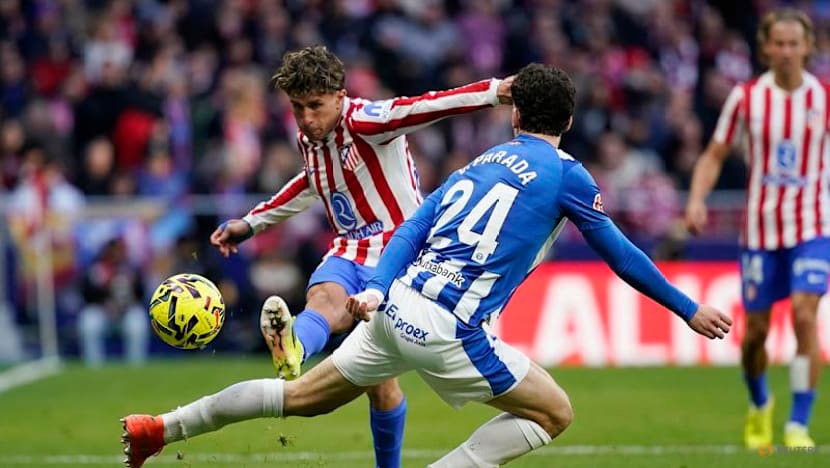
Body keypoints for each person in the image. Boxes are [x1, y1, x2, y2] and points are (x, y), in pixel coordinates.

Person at [121, 63, 731, 468]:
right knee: (554, 413)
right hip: (451, 329)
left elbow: (413, 226)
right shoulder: (569, 175)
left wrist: (379, 289)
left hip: (396, 306)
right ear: (568, 123)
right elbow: (620, 253)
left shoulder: (483, 159)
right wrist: (687, 307)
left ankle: (160, 429)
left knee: (298, 395)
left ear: (515, 118)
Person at [208, 45, 514, 468]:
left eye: (315, 106)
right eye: (297, 108)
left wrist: (494, 91)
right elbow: (311, 182)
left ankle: (298, 342)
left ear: (339, 94)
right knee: (341, 326)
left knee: (370, 367)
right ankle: (294, 347)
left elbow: (427, 106)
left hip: (398, 252)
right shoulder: (310, 139)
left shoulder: (367, 120)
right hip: (349, 246)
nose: (306, 118)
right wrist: (252, 222)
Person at [684, 8, 825, 449]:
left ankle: (798, 423)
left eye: (793, 43)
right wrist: (695, 199)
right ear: (765, 47)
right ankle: (760, 403)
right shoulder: (747, 98)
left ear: (807, 47)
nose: (785, 51)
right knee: (757, 333)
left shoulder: (824, 97)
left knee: (805, 314)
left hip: (813, 225)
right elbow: (713, 154)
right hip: (761, 232)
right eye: (777, 44)